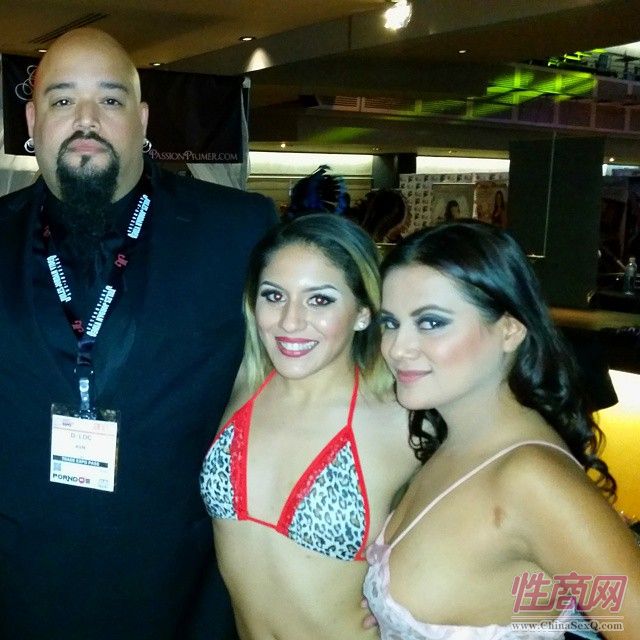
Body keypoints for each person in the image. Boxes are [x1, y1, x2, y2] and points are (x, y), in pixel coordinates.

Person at [0, 28, 276, 640]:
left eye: (111, 99)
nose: (87, 119)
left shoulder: (236, 232)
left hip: (179, 599)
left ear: (142, 119)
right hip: (19, 594)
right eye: (63, 99)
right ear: (32, 122)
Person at [364, 221, 640, 638]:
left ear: (510, 330)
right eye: (390, 322)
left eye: (431, 322)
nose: (397, 348)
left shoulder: (532, 480)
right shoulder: (454, 439)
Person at [200, 214, 418, 639]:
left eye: (319, 300)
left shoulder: (402, 420)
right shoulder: (241, 383)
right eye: (274, 295)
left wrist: (409, 613)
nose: (290, 321)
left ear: (363, 313)